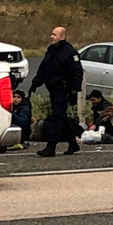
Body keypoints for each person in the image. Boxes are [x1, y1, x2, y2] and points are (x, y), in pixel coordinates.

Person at [29, 26, 84, 157]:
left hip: (63, 90)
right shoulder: (51, 50)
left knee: (56, 118)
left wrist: (74, 91)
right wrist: (36, 82)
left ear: (62, 37)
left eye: (54, 34)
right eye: (52, 34)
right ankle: (73, 143)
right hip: (53, 90)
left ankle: (51, 146)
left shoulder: (69, 52)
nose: (51, 37)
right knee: (61, 118)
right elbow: (44, 67)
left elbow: (77, 72)